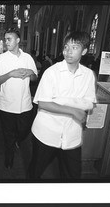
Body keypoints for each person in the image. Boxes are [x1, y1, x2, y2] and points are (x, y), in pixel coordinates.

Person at [28, 31, 97, 179]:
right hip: (47, 132)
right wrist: (73, 109)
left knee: (72, 175)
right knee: (35, 172)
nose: (68, 51)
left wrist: (60, 101)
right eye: (66, 47)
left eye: (74, 47)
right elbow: (43, 103)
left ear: (84, 51)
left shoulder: (88, 74)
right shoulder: (52, 72)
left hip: (72, 134)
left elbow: (89, 103)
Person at [0, 28, 38, 169]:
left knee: (24, 130)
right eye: (5, 39)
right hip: (7, 104)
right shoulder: (1, 58)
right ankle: (9, 158)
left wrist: (31, 72)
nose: (6, 42)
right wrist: (10, 74)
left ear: (18, 40)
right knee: (8, 134)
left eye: (9, 39)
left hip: (25, 104)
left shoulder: (27, 58)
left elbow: (35, 78)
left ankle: (17, 140)